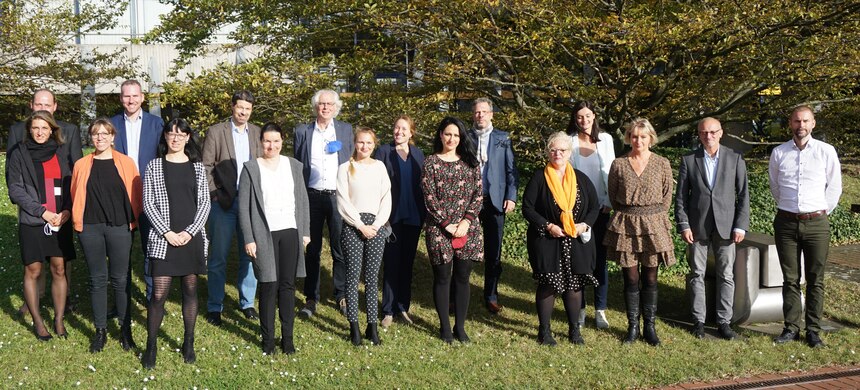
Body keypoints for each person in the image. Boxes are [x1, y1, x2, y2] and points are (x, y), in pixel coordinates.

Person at [769, 106, 842, 348]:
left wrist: (818, 212)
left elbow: (834, 188)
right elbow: (775, 187)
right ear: (789, 123)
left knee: (815, 279)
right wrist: (792, 209)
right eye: (796, 121)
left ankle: (813, 330)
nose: (801, 125)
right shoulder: (779, 153)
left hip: (817, 224)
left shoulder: (826, 151)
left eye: (805, 121)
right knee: (790, 279)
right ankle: (791, 328)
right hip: (786, 222)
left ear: (813, 124)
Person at [141, 118, 211, 369]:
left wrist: (190, 232)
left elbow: (205, 203)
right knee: (158, 294)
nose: (175, 138)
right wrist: (166, 232)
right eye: (170, 133)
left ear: (188, 137)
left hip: (191, 239)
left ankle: (188, 342)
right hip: (164, 239)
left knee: (190, 290)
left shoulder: (197, 167)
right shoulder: (154, 166)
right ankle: (151, 345)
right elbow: (147, 203)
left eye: (180, 134)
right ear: (165, 137)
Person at [7, 89, 82, 318]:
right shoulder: (17, 131)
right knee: (34, 262)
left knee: (61, 261)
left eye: (47, 104)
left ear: (55, 107)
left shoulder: (69, 132)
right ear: (31, 105)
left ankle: (64, 298)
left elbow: (75, 171)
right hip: (34, 208)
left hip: (61, 208)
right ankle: (36, 298)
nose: (42, 107)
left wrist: (69, 207)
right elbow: (13, 177)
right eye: (38, 103)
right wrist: (36, 208)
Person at [71, 119, 142, 353]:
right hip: (90, 228)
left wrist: (133, 221)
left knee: (121, 280)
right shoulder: (81, 164)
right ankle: (100, 330)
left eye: (105, 134)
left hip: (120, 227)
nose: (100, 138)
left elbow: (137, 194)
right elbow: (75, 194)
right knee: (97, 279)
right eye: (95, 134)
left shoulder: (126, 163)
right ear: (90, 138)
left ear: (113, 137)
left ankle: (125, 330)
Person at [238, 123, 310, 355]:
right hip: (263, 234)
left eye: (276, 141)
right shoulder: (251, 168)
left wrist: (305, 232)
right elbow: (243, 208)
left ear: (282, 141)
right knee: (269, 285)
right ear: (261, 142)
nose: (272, 145)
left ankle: (287, 339)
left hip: (290, 231)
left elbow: (303, 201)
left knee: (287, 287)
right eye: (268, 141)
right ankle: (268, 339)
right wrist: (249, 238)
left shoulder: (294, 166)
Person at [675, 117, 749, 340]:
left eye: (713, 132)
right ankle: (698, 320)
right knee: (696, 273)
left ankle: (723, 322)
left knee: (726, 275)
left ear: (721, 133)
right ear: (699, 134)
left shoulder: (735, 158)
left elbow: (744, 194)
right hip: (697, 227)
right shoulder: (689, 159)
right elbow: (681, 198)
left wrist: (740, 225)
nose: (709, 136)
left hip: (727, 227)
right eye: (704, 132)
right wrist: (684, 224)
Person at [522, 132, 599, 345]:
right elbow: (527, 208)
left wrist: (584, 224)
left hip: (575, 240)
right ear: (548, 152)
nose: (557, 154)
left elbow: (594, 207)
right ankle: (544, 331)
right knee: (549, 283)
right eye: (553, 150)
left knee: (574, 285)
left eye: (562, 150)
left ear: (569, 153)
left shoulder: (581, 179)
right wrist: (548, 226)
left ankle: (574, 330)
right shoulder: (540, 177)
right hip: (547, 239)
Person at [603, 118, 675, 346]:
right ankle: (633, 327)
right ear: (628, 138)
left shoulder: (662, 163)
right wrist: (631, 212)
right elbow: (613, 196)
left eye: (643, 136)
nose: (638, 140)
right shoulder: (619, 164)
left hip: (654, 225)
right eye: (634, 136)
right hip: (627, 224)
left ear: (650, 138)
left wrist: (652, 216)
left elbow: (667, 197)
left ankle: (650, 327)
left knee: (651, 277)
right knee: (631, 277)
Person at [421, 116, 484, 344]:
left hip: (468, 228)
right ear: (440, 135)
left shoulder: (471, 163)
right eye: (448, 134)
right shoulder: (431, 163)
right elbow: (429, 197)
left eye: (456, 135)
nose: (452, 139)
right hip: (440, 228)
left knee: (462, 278)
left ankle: (460, 326)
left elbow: (478, 196)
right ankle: (445, 327)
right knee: (442, 277)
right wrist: (447, 224)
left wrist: (466, 222)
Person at [293, 89, 354, 318]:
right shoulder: (302, 131)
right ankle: (311, 297)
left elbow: (352, 162)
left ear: (336, 107)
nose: (325, 107)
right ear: (315, 106)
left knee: (340, 249)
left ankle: (341, 294)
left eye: (329, 104)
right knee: (313, 249)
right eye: (321, 104)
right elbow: (298, 165)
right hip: (312, 196)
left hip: (338, 196)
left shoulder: (346, 130)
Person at [202, 90, 262, 326]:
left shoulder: (257, 133)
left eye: (248, 109)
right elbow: (206, 166)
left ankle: (247, 303)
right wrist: (214, 194)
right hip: (223, 203)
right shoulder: (217, 131)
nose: (243, 112)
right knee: (218, 256)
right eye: (240, 107)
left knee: (249, 255)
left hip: (250, 203)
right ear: (232, 107)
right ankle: (215, 305)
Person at [337, 127, 392, 345]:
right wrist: (360, 225)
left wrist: (377, 225)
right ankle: (354, 327)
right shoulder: (345, 168)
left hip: (376, 227)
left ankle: (372, 325)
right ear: (354, 143)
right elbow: (342, 200)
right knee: (352, 278)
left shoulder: (379, 167)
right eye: (361, 142)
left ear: (374, 144)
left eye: (369, 143)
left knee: (371, 279)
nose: (364, 147)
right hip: (353, 225)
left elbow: (386, 197)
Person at [111, 79, 165, 304]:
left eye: (135, 96)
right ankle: (120, 299)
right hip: (118, 195)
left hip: (148, 194)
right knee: (119, 251)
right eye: (126, 96)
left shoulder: (157, 124)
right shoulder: (111, 124)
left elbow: (163, 159)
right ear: (121, 98)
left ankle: (153, 296)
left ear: (142, 97)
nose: (131, 100)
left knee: (150, 246)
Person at [565, 100, 616, 329]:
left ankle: (600, 309)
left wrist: (609, 201)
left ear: (594, 116)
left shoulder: (605, 140)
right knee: (580, 261)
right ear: (574, 119)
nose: (583, 121)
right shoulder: (570, 142)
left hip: (603, 209)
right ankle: (581, 308)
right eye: (579, 117)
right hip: (578, 211)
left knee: (600, 261)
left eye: (587, 116)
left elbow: (612, 172)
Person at [375, 115, 425, 327]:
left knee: (407, 263)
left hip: (414, 217)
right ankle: (388, 309)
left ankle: (403, 306)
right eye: (396, 128)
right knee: (392, 263)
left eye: (404, 129)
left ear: (411, 132)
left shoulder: (418, 154)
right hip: (391, 218)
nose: (399, 132)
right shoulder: (384, 152)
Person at [469, 98, 518, 314]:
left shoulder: (502, 138)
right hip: (469, 201)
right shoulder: (465, 137)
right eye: (477, 112)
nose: (480, 115)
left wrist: (512, 196)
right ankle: (457, 293)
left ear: (491, 114)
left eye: (484, 112)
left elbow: (511, 170)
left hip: (495, 200)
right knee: (463, 248)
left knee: (494, 251)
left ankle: (491, 294)